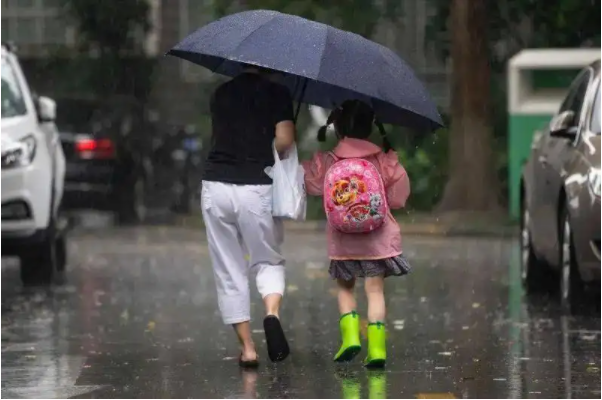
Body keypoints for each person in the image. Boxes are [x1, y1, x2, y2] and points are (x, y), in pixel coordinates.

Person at [301, 99, 411, 368]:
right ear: (370, 127)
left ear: (337, 128)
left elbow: (313, 185)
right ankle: (377, 348)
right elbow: (399, 197)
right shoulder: (382, 159)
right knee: (375, 291)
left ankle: (350, 337)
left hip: (343, 241)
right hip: (377, 239)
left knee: (345, 288)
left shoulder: (329, 160)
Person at [201, 64, 296, 367]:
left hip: (216, 185)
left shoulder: (220, 93)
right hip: (257, 187)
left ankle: (248, 349)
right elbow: (284, 141)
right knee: (267, 259)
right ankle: (271, 314)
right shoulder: (278, 93)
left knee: (229, 268)